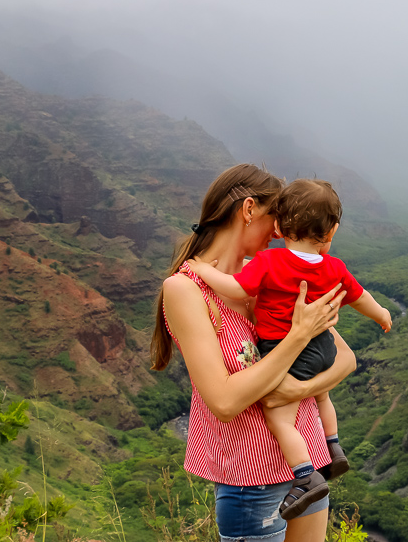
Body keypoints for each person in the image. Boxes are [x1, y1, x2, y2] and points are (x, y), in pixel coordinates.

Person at [152, 164, 357, 542]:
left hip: (308, 470)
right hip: (252, 481)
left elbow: (346, 359)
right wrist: (297, 338)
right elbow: (224, 401)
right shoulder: (186, 289)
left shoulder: (270, 271)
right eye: (274, 219)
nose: (280, 232)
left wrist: (296, 391)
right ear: (249, 210)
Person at [187, 179, 391, 519]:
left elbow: (236, 288)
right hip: (322, 346)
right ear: (332, 231)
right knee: (322, 395)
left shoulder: (270, 261)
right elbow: (360, 297)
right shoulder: (335, 267)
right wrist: (382, 314)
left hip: (289, 350)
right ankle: (333, 445)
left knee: (280, 418)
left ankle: (305, 476)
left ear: (280, 227)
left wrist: (202, 270)